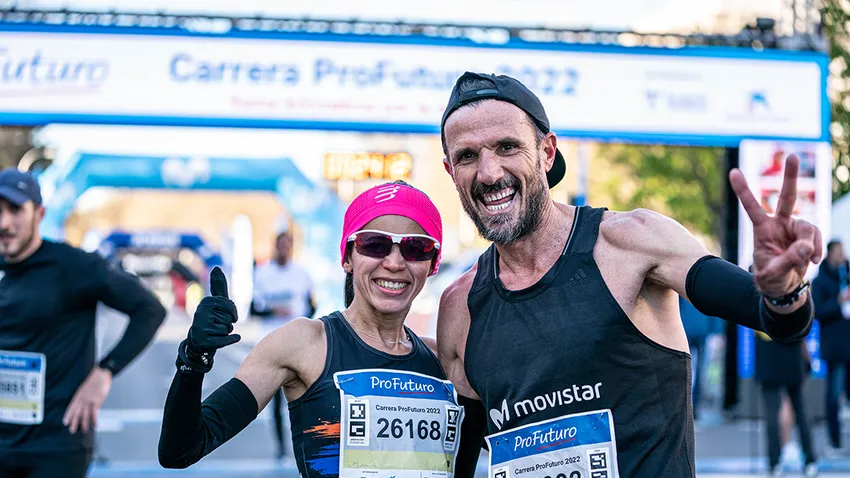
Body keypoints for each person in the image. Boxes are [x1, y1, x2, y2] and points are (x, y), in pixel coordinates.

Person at [435, 72, 820, 477]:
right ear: (450, 171)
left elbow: (778, 320)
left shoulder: (631, 242)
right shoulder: (459, 309)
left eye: (507, 147)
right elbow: (458, 465)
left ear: (546, 152)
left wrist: (783, 292)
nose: (489, 173)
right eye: (467, 156)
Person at [158, 181, 484, 478]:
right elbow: (180, 450)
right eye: (374, 244)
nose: (395, 263)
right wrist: (194, 358)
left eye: (415, 248)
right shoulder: (305, 344)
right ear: (348, 257)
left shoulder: (445, 362)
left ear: (432, 264)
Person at [0, 168, 167, 477]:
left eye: (15, 210)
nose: (4, 223)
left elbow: (149, 309)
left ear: (39, 214)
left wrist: (105, 372)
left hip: (55, 446)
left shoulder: (74, 266)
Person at [250, 229, 316, 461]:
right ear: (275, 246)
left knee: (306, 396)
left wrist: (303, 321)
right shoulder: (262, 273)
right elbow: (253, 308)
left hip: (298, 345)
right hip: (271, 343)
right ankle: (281, 447)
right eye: (281, 245)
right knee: (276, 401)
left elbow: (311, 305)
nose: (284, 249)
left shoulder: (301, 274)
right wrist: (273, 311)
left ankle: (308, 443)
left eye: (288, 245)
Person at [754, 329, 817, 476]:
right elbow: (802, 325)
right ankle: (810, 461)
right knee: (799, 409)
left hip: (768, 354)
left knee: (772, 411)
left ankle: (774, 463)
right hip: (791, 352)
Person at [812, 239, 850, 457]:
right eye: (838, 251)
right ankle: (834, 441)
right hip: (835, 347)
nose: (842, 255)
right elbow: (818, 311)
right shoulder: (821, 281)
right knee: (834, 395)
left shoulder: (846, 275)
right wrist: (839, 301)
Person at [679, 295, 721, 421]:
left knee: (692, 370)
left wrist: (716, 331)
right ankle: (690, 408)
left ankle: (690, 408)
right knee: (693, 370)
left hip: (689, 329)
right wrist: (716, 331)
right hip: (694, 329)